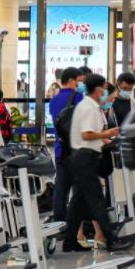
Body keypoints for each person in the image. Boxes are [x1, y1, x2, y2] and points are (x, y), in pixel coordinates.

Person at [63, 74, 135, 253]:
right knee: (97, 200)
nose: (106, 92)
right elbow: (86, 134)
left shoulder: (88, 106)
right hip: (84, 158)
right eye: (104, 89)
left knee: (78, 203)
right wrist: (107, 134)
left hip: (82, 157)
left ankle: (69, 241)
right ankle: (110, 239)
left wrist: (107, 139)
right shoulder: (89, 108)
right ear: (97, 90)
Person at [49, 66, 83, 222]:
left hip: (60, 149)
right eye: (79, 81)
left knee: (61, 189)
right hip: (76, 149)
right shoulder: (78, 97)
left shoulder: (54, 100)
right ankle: (76, 225)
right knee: (79, 190)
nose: (80, 85)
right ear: (71, 80)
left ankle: (59, 221)